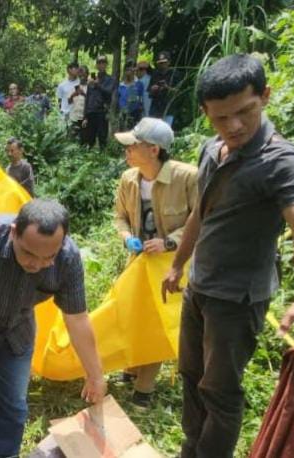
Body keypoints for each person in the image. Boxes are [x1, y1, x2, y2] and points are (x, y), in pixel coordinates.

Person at [161, 54, 294, 458]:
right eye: (221, 118)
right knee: (190, 376)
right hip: (200, 287)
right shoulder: (210, 150)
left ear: (265, 97)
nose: (234, 126)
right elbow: (202, 212)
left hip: (236, 300)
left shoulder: (281, 161)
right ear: (206, 114)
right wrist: (179, 263)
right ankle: (191, 449)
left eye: (245, 112)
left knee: (220, 392)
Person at [0, 199, 106, 458]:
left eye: (48, 257)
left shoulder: (68, 258)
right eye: (28, 253)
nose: (36, 264)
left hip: (16, 332)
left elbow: (77, 319)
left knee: (13, 407)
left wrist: (95, 375)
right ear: (14, 231)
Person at [112, 117, 198, 408]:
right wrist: (126, 238)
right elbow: (120, 217)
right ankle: (132, 367)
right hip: (138, 263)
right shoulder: (129, 179)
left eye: (133, 146)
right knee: (131, 314)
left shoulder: (188, 177)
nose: (127, 151)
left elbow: (202, 220)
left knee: (157, 322)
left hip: (172, 266)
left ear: (154, 150)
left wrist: (169, 242)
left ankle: (144, 388)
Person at [84, 56, 117, 148]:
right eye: (99, 63)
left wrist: (97, 84)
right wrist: (85, 115)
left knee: (102, 138)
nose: (101, 65)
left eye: (103, 63)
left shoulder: (110, 79)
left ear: (106, 64)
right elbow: (88, 98)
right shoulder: (92, 79)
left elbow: (108, 92)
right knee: (90, 139)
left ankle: (103, 159)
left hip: (102, 112)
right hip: (91, 112)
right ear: (96, 65)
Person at [149, 51, 180, 124]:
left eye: (164, 62)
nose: (162, 64)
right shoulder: (155, 74)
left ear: (169, 62)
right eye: (160, 63)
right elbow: (149, 92)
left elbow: (178, 92)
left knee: (166, 132)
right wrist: (153, 89)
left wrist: (167, 87)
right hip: (155, 109)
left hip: (168, 109)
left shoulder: (175, 74)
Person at [118, 63, 145, 130]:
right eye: (127, 70)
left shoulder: (139, 84)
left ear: (134, 70)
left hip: (135, 114)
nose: (128, 72)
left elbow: (141, 99)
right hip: (123, 114)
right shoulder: (120, 86)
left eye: (130, 69)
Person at [69, 66, 89, 140]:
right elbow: (69, 102)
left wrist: (84, 94)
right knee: (72, 140)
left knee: (83, 140)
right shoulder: (74, 86)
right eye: (80, 74)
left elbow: (91, 102)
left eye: (83, 74)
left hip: (84, 118)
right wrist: (72, 95)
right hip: (74, 117)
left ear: (87, 74)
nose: (82, 76)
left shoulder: (90, 86)